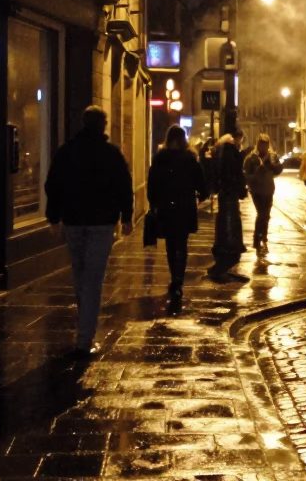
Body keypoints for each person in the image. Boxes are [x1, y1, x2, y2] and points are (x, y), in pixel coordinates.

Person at [44, 106, 133, 358]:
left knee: (80, 273)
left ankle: (84, 327)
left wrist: (54, 217)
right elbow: (124, 186)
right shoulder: (111, 154)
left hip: (73, 221)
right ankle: (85, 339)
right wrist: (126, 217)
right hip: (101, 223)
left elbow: (53, 184)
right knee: (93, 278)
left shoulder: (67, 152)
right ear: (103, 125)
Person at [147, 125, 208, 315]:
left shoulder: (160, 159)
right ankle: (178, 280)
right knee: (181, 244)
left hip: (166, 207)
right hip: (184, 207)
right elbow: (202, 185)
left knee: (171, 246)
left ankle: (175, 278)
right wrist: (200, 196)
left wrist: (154, 203)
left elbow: (152, 184)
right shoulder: (189, 159)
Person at [211, 130, 248, 264]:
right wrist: (241, 189)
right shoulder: (232, 153)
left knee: (223, 217)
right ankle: (232, 244)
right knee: (232, 217)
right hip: (231, 191)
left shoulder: (219, 153)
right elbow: (237, 173)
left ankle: (222, 243)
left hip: (224, 191)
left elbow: (216, 172)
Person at [244, 133, 283, 250]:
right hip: (256, 190)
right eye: (261, 145)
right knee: (261, 214)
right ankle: (256, 238)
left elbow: (279, 169)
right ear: (258, 144)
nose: (263, 147)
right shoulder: (251, 157)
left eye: (265, 145)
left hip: (269, 188)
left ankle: (264, 234)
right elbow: (246, 174)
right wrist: (258, 171)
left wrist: (272, 166)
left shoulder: (273, 156)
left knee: (266, 214)